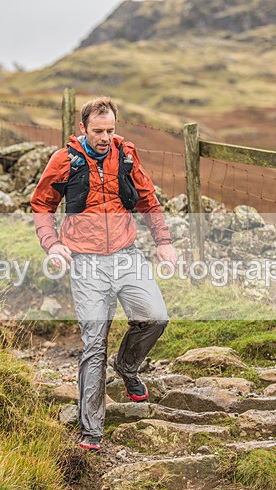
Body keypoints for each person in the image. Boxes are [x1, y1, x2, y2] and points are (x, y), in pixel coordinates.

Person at [30, 96, 178, 452]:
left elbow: (148, 200)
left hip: (126, 254)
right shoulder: (64, 160)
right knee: (94, 343)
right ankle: (91, 431)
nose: (105, 137)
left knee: (156, 318)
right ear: (83, 129)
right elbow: (41, 205)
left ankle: (127, 366)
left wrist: (164, 242)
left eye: (111, 129)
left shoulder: (125, 154)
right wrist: (52, 244)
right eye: (98, 131)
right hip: (86, 262)